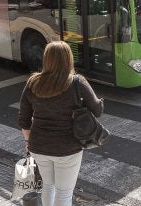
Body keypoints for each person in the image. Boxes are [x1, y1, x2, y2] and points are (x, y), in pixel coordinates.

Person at [19, 41, 105, 206]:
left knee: (47, 187)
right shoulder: (76, 82)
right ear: (68, 59)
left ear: (46, 59)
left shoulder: (33, 83)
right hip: (68, 149)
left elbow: (24, 119)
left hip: (38, 146)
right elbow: (97, 111)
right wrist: (98, 101)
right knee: (64, 194)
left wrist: (28, 143)